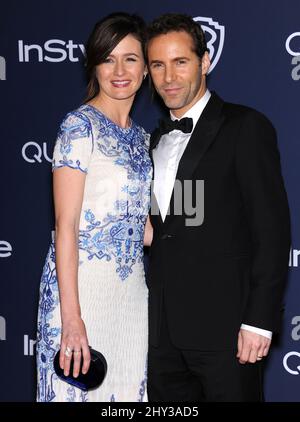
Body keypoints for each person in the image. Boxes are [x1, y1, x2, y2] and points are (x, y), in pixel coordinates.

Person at [145, 13, 291, 402]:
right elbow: (170, 226)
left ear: (205, 62)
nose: (169, 77)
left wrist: (259, 321)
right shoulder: (151, 141)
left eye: (181, 62)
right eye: (158, 65)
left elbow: (272, 232)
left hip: (226, 333)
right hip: (161, 337)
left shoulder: (245, 127)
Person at [36, 12, 152, 402]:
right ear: (95, 66)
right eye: (108, 58)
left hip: (131, 299)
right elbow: (64, 225)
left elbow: (143, 228)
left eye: (131, 58)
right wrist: (72, 319)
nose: (119, 70)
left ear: (146, 69)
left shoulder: (143, 139)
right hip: (81, 293)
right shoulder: (78, 126)